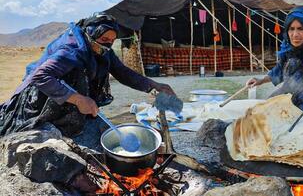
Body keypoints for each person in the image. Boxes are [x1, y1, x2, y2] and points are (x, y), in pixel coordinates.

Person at [0, 12, 176, 137]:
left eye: (111, 41)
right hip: (39, 94)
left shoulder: (102, 50)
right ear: (90, 34)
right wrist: (79, 100)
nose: (107, 46)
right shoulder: (72, 49)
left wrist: (153, 86)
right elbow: (40, 77)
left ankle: (72, 117)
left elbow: (122, 72)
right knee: (77, 75)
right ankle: (58, 121)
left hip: (61, 91)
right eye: (104, 40)